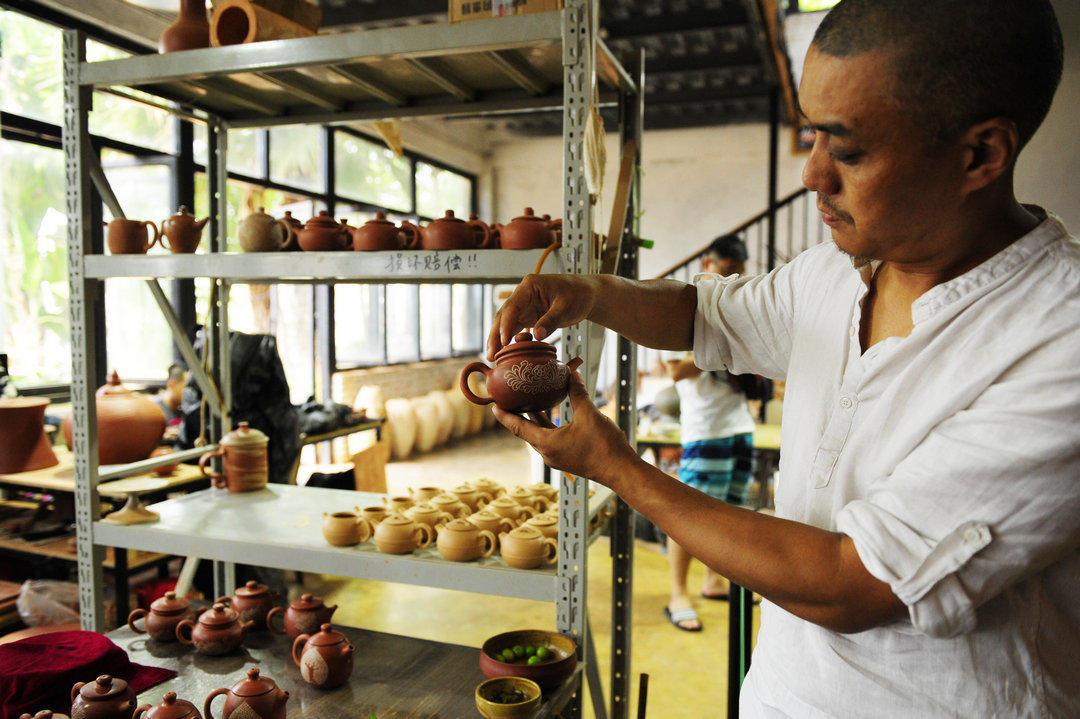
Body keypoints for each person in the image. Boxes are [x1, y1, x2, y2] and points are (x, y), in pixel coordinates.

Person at [486, 1, 1078, 715]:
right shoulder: (837, 273)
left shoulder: (1059, 335)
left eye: (847, 149)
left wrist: (615, 466)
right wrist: (587, 291)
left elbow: (850, 581)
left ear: (979, 154)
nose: (812, 174)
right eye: (810, 133)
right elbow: (703, 313)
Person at [660, 235, 757, 631]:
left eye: (737, 274)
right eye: (725, 270)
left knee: (730, 514)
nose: (730, 280)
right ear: (707, 263)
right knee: (690, 515)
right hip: (705, 431)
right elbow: (675, 369)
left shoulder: (739, 308)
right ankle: (677, 593)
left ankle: (712, 578)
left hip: (739, 426)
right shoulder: (681, 309)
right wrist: (721, 341)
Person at [154, 363, 188, 440]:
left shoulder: (185, 408)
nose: (188, 393)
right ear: (171, 385)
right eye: (185, 388)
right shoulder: (153, 409)